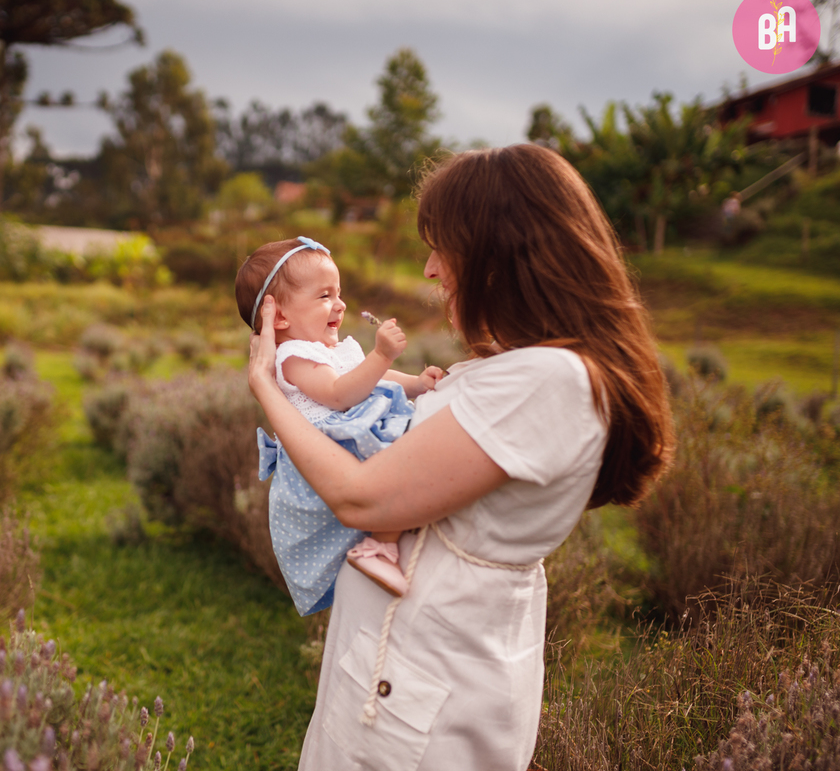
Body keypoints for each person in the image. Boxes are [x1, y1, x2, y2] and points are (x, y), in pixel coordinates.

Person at [247, 145, 674, 771]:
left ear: (497, 256)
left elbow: (360, 497)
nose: (428, 269)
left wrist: (266, 385)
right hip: (400, 677)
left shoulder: (546, 380)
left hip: (420, 699)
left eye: (442, 247)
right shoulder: (526, 366)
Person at [235, 236, 445, 614]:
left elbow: (370, 379)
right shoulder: (293, 356)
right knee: (397, 460)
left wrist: (414, 382)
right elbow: (337, 394)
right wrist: (380, 355)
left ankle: (393, 537)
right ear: (279, 317)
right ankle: (379, 545)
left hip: (348, 435)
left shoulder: (328, 349)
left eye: (339, 293)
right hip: (331, 447)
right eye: (324, 296)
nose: (340, 304)